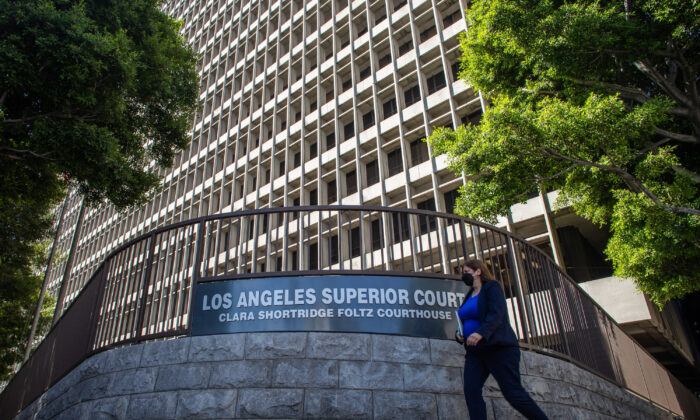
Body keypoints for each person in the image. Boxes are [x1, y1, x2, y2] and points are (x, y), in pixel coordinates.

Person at [456, 259, 548, 420]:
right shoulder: (469, 295)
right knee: (471, 391)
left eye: (466, 272)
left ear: (478, 271)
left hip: (498, 349)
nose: (464, 275)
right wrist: (459, 334)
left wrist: (481, 333)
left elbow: (496, 314)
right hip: (475, 352)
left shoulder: (491, 287)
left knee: (513, 394)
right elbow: (465, 320)